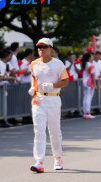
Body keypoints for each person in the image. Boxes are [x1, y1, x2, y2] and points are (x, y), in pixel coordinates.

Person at [28, 38, 69, 173]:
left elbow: (65, 81)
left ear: (51, 49)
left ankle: (58, 158)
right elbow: (34, 78)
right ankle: (39, 161)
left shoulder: (58, 64)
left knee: (54, 131)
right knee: (39, 131)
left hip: (53, 99)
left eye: (44, 47)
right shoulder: (34, 64)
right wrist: (33, 88)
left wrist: (53, 86)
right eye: (39, 47)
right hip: (38, 100)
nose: (41, 49)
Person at [81, 53, 97, 119]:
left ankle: (85, 113)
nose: (93, 57)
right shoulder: (91, 65)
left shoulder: (84, 64)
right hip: (89, 83)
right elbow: (93, 75)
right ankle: (87, 113)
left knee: (85, 97)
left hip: (85, 82)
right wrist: (95, 84)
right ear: (89, 58)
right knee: (88, 98)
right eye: (92, 56)